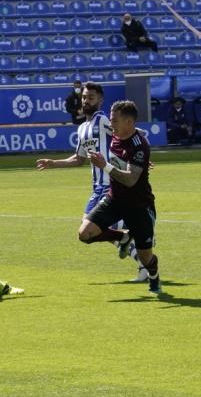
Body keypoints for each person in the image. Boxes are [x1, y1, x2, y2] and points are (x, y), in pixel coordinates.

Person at [36, 83, 149, 282]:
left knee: (95, 228)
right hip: (96, 187)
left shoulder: (103, 120)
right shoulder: (82, 128)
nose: (86, 101)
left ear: (100, 101)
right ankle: (125, 241)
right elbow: (78, 159)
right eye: (84, 98)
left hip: (111, 184)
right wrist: (53, 163)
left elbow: (132, 131)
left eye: (90, 98)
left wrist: (138, 157)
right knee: (89, 230)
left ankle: (142, 261)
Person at [78, 100, 160, 293]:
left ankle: (154, 276)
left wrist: (104, 165)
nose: (111, 123)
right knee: (84, 233)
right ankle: (122, 238)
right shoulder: (117, 135)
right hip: (114, 199)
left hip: (139, 206)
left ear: (129, 121)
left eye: (114, 120)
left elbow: (131, 180)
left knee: (146, 257)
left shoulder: (139, 145)